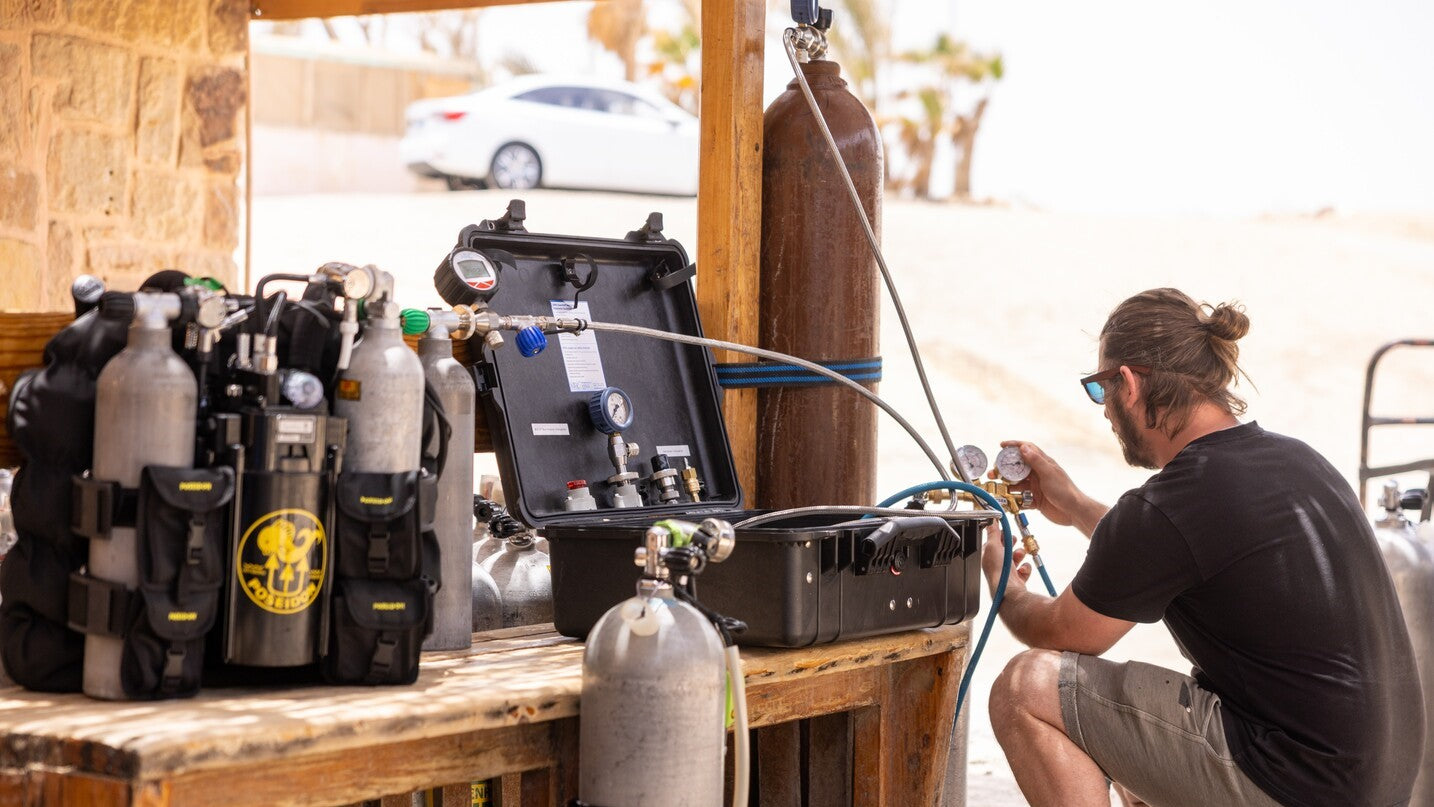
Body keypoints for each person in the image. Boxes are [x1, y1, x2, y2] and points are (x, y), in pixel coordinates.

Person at [984, 288, 1422, 807]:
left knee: (1027, 687)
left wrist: (1000, 580)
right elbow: (1170, 545)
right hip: (1379, 783)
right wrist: (1075, 503)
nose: (1104, 413)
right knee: (1131, 750)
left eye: (1099, 391)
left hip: (1297, 784)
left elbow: (1058, 630)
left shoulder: (1174, 502)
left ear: (1128, 383)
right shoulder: (1298, 461)